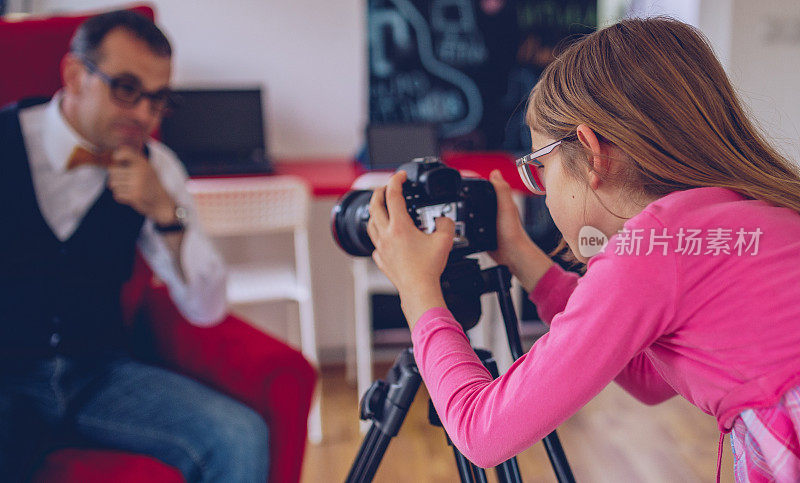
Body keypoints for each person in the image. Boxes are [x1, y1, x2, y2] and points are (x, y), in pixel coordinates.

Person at [366, 17, 800, 482]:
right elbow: (650, 378)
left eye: (539, 167)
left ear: (593, 153)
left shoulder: (650, 249)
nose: (540, 190)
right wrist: (519, 253)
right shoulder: (749, 214)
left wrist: (417, 292)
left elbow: (480, 432)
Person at [0, 10, 268, 482]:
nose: (144, 115)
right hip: (6, 374)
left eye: (158, 99)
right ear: (75, 76)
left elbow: (206, 309)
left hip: (99, 375)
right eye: (126, 89)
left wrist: (166, 213)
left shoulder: (159, 167)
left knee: (239, 436)